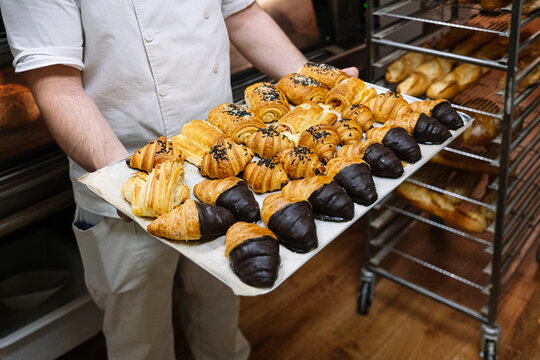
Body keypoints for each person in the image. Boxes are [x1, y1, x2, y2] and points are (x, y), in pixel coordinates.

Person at [0, 1, 359, 359]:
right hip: (123, 166)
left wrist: (318, 86)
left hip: (220, 160)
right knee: (138, 332)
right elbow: (56, 83)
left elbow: (242, 16)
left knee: (218, 300)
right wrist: (123, 182)